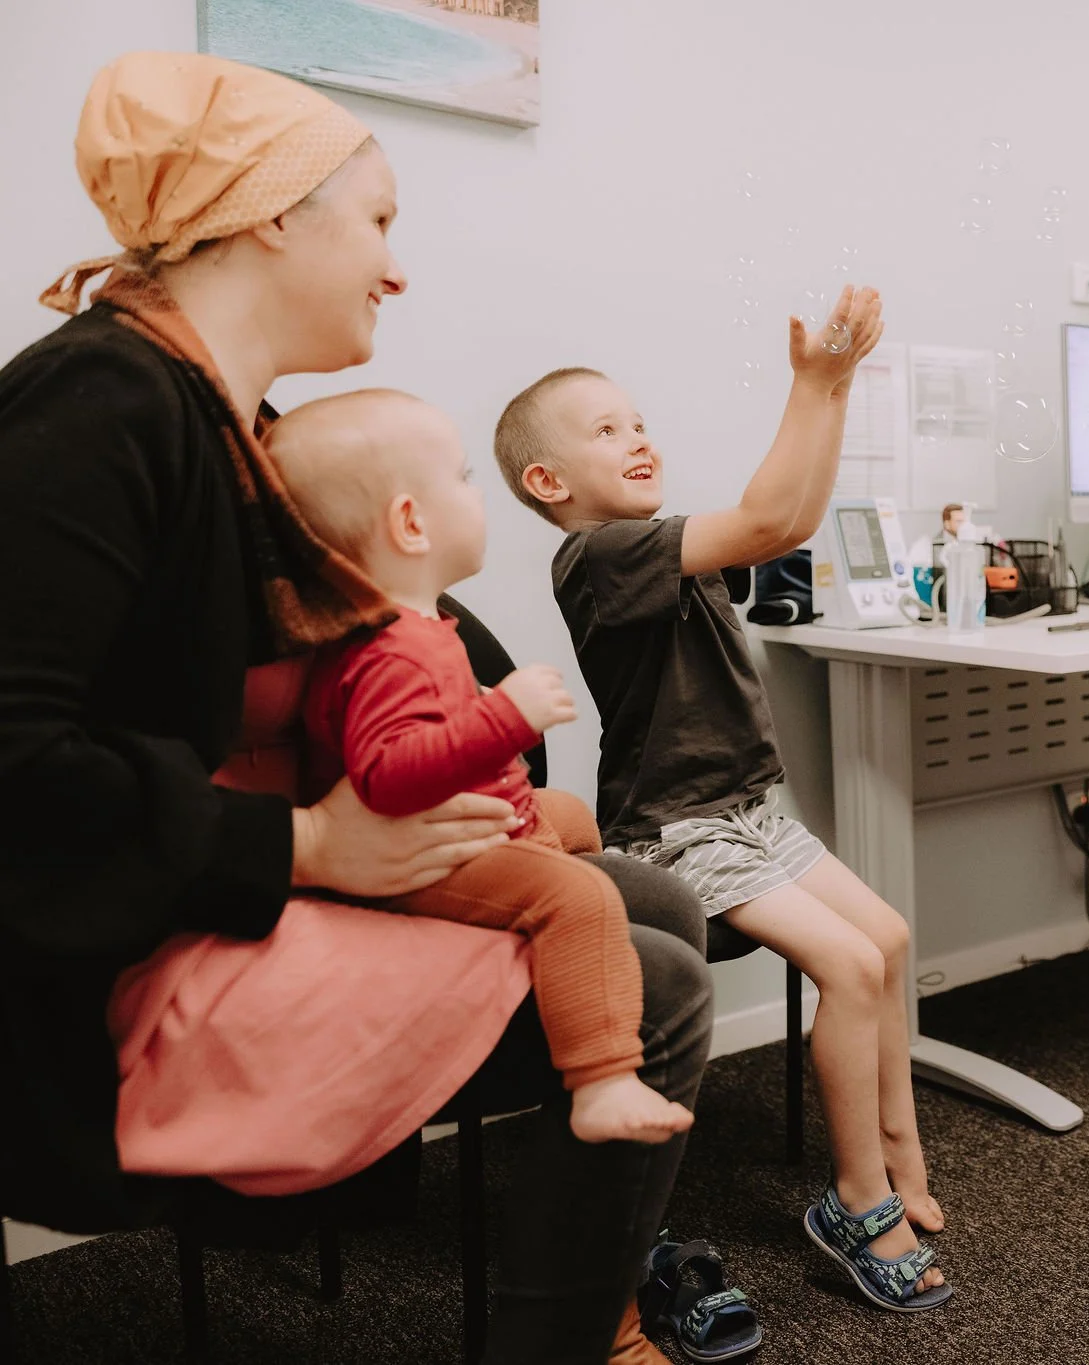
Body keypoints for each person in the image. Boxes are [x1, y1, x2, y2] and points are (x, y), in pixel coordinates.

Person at [0, 53, 710, 1364]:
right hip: (121, 943)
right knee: (655, 981)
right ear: (274, 214)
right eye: (380, 221)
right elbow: (15, 755)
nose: (397, 267)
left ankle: (597, 1299)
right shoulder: (103, 405)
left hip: (224, 869)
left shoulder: (226, 418)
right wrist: (311, 849)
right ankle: (580, 1339)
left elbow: (393, 633)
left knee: (659, 901)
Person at [490, 294, 955, 1313]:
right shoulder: (599, 559)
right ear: (547, 480)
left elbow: (784, 519)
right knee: (843, 961)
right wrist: (817, 385)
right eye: (606, 430)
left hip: (744, 808)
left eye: (640, 421)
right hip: (675, 829)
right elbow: (769, 521)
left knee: (883, 938)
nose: (639, 438)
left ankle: (898, 1163)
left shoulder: (657, 541)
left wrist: (832, 390)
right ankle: (854, 1205)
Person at [270, 390, 693, 1145]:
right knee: (578, 898)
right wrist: (504, 717)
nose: (478, 495)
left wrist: (483, 715)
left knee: (569, 816)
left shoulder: (419, 626)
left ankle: (562, 947)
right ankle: (601, 1076)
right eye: (464, 479)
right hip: (429, 858)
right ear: (410, 522)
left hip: (485, 818)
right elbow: (390, 774)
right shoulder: (384, 647)